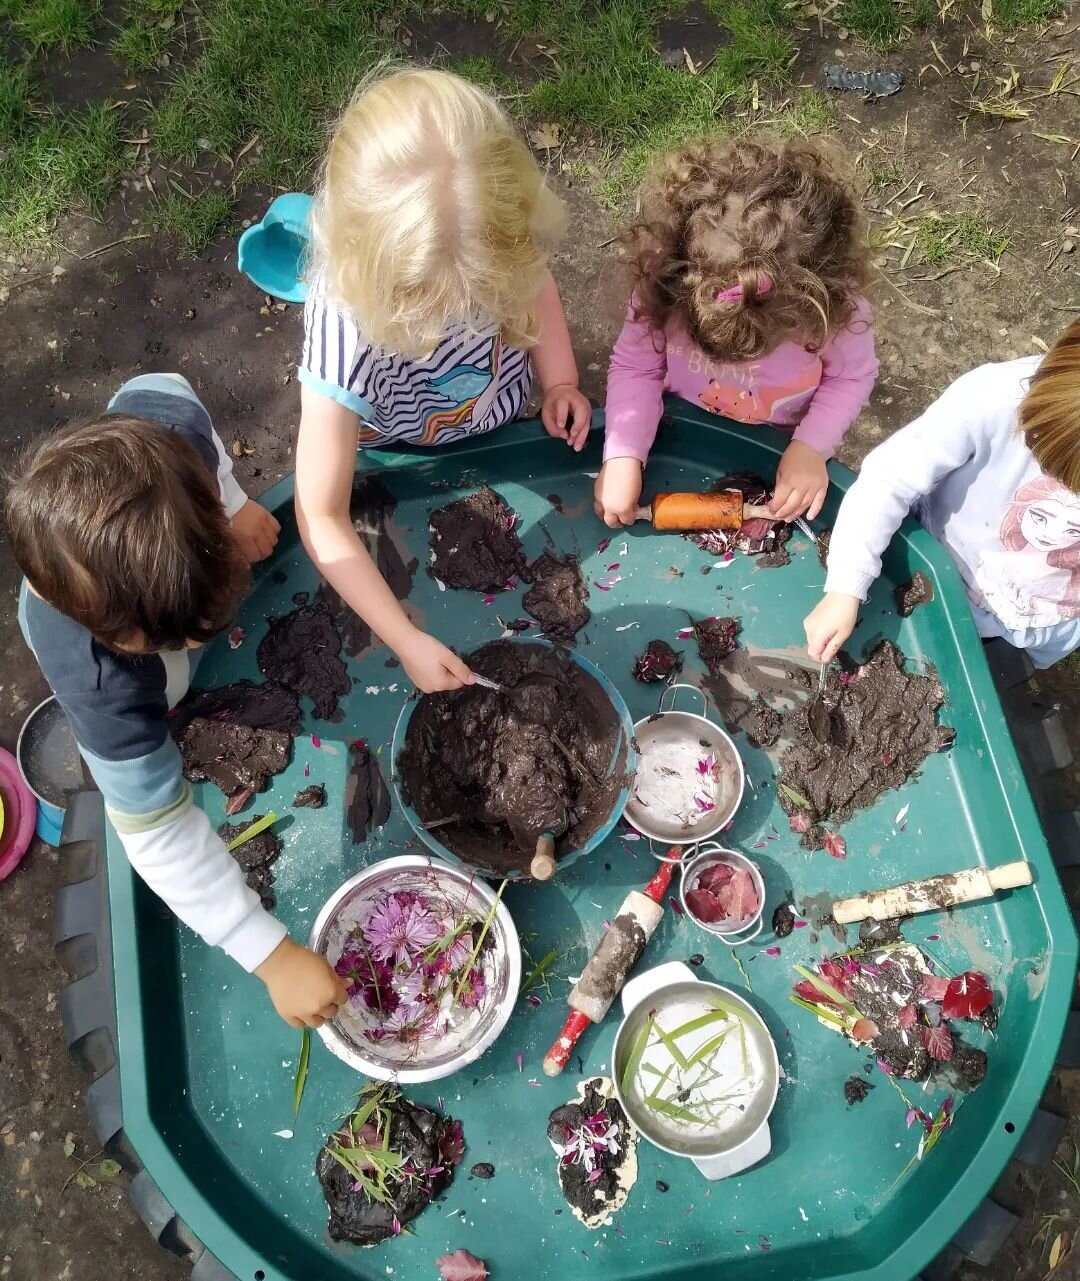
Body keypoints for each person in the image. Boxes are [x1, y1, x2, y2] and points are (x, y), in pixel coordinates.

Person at [6, 373, 347, 1029]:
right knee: (159, 700)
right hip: (104, 657)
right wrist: (270, 953)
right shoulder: (103, 678)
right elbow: (158, 836)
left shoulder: (167, 432)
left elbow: (164, 384)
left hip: (146, 572)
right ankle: (166, 677)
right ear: (129, 639)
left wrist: (232, 498)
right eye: (187, 633)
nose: (205, 636)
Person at [296, 67, 591, 693]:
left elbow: (537, 289)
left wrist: (560, 380)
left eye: (476, 292)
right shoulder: (342, 329)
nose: (457, 311)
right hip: (397, 443)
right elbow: (322, 516)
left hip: (496, 420)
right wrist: (403, 636)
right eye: (427, 302)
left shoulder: (499, 238)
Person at [594, 135, 877, 528]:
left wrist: (811, 448)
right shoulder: (663, 284)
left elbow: (850, 377)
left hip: (779, 442)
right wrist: (623, 454)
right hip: (681, 424)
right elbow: (636, 367)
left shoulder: (834, 313)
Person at [805, 319, 1080, 669]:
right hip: (942, 569)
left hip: (1051, 612)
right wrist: (845, 585)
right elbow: (889, 479)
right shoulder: (993, 401)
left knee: (1006, 673)